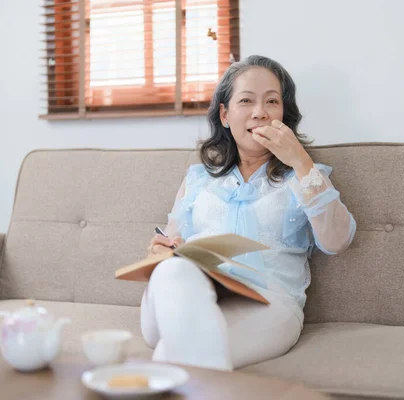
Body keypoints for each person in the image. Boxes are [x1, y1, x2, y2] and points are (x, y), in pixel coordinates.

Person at [140, 55, 356, 371]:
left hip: (268, 306)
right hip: (187, 292)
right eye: (246, 101)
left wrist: (300, 161)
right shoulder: (198, 179)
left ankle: (176, 362)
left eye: (272, 101)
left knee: (173, 356)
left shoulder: (306, 176)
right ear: (225, 114)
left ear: (284, 114)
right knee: (173, 271)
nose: (260, 112)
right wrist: (160, 250)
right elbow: (171, 240)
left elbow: (338, 241)